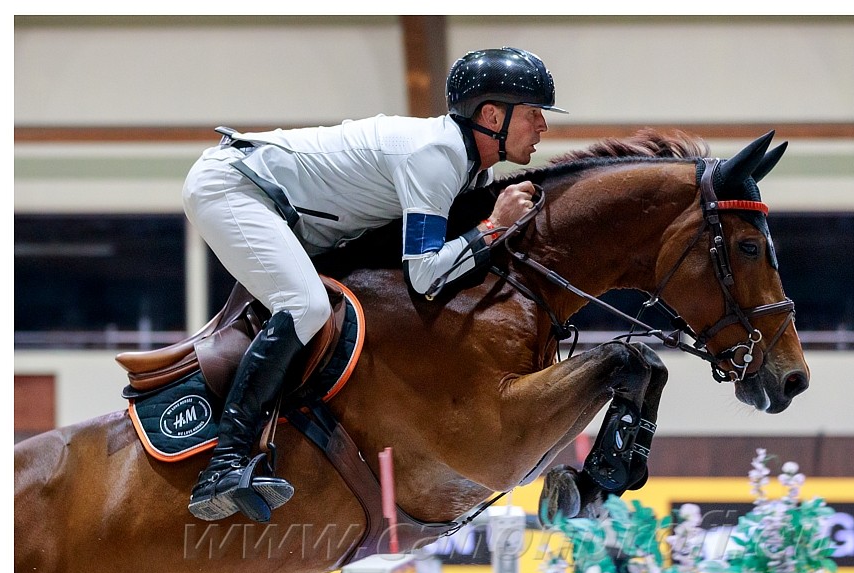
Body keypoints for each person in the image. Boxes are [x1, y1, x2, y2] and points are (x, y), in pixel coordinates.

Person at [182, 47, 567, 522]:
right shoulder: (437, 156)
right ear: (491, 115)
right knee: (305, 307)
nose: (543, 128)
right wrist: (492, 227)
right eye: (533, 114)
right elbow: (425, 274)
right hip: (233, 188)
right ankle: (226, 462)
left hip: (282, 210)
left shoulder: (471, 168)